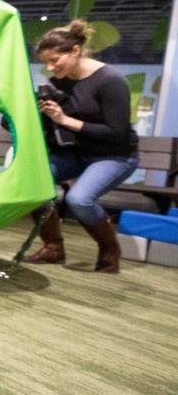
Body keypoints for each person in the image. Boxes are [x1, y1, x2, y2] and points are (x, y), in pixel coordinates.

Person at [24, 19, 139, 273]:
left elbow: (116, 133)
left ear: (75, 51)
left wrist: (65, 120)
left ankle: (110, 249)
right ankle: (54, 248)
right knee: (34, 181)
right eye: (46, 63)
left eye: (55, 60)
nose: (51, 67)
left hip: (115, 154)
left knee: (80, 199)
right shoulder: (59, 81)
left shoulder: (110, 80)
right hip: (79, 153)